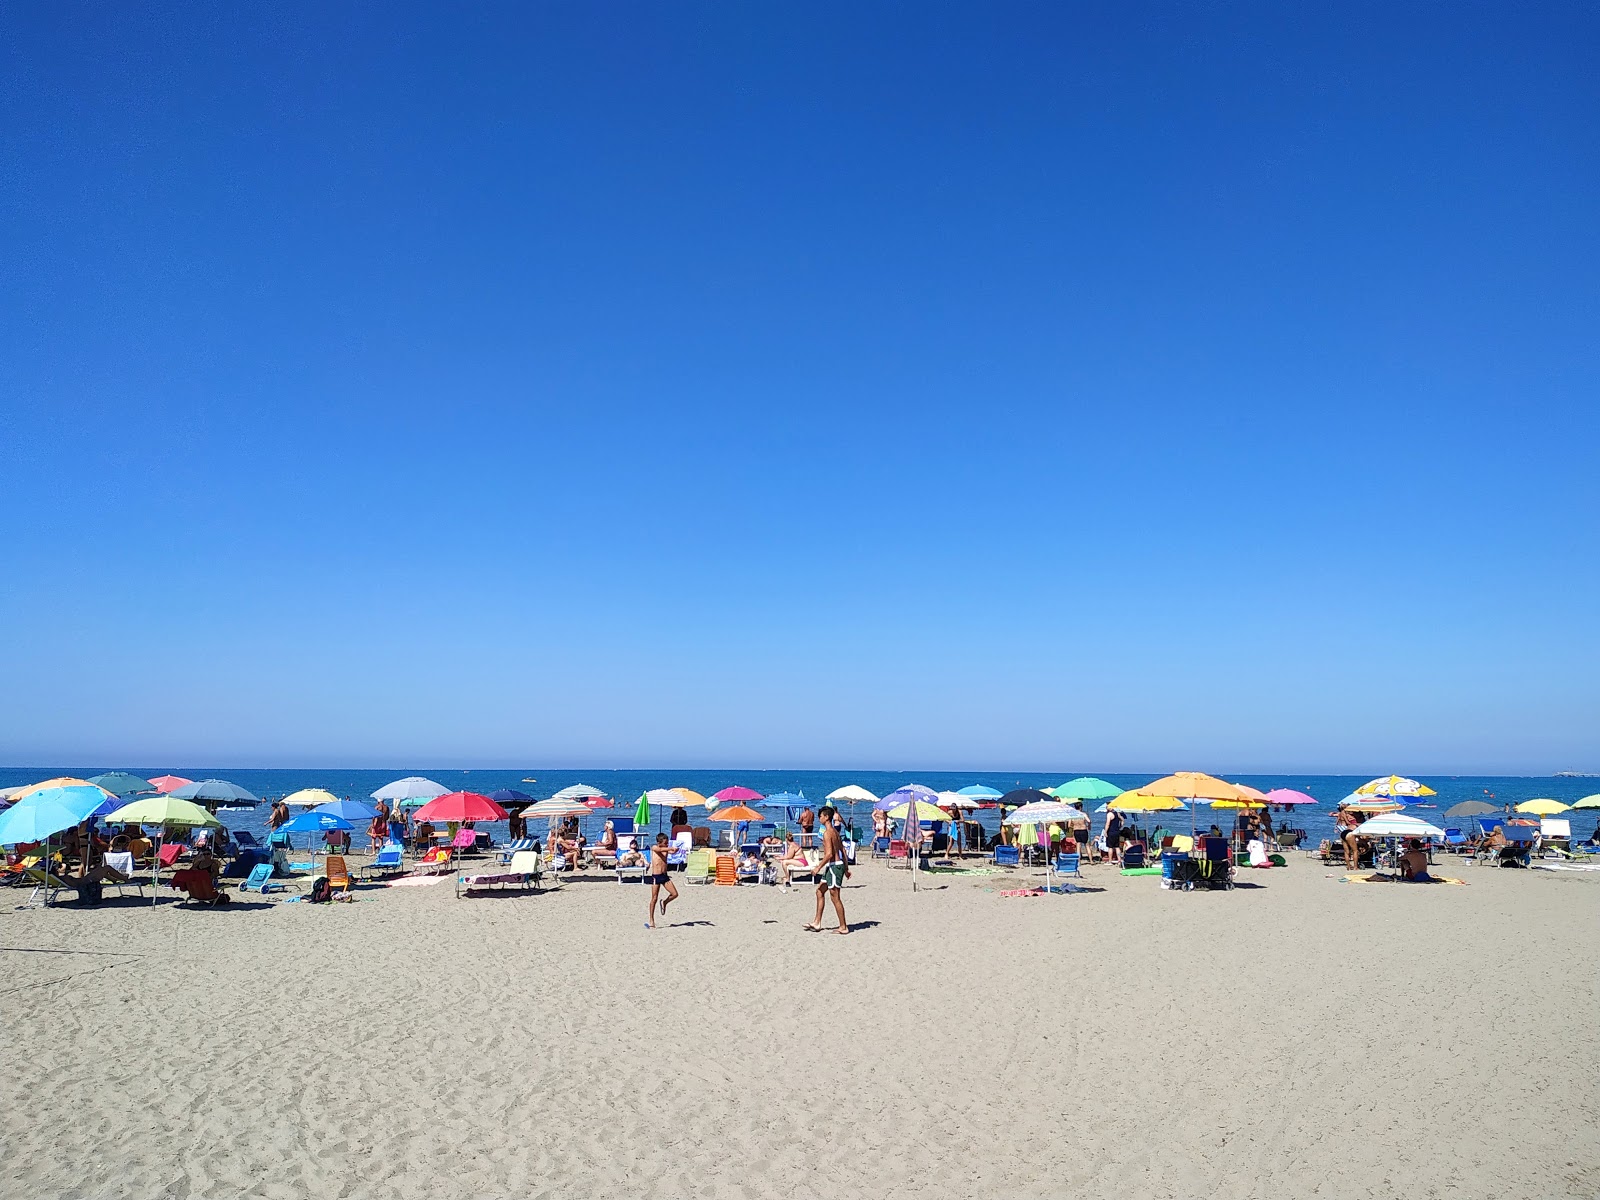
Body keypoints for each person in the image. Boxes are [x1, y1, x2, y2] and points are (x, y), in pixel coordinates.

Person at [806, 805, 849, 934]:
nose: (819, 818)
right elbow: (842, 850)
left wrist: (818, 867)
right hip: (834, 866)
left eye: (820, 816)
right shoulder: (835, 832)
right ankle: (817, 922)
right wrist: (846, 868)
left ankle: (843, 927)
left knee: (835, 897)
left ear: (826, 817)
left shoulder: (827, 833)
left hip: (834, 866)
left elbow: (829, 854)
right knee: (819, 891)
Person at [646, 833, 678, 928]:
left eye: (668, 842)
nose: (667, 844)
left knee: (675, 894)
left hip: (665, 876)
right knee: (654, 898)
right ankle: (651, 919)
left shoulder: (666, 849)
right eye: (665, 843)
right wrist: (670, 848)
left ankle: (664, 902)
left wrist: (676, 850)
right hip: (656, 876)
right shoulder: (655, 847)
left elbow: (670, 852)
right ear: (660, 842)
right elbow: (659, 849)